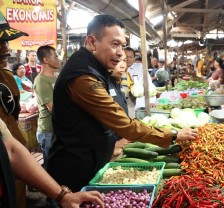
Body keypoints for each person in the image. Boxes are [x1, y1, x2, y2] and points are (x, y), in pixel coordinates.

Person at [48, 14, 197, 192]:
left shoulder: (95, 69)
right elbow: (124, 125)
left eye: (123, 45)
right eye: (115, 44)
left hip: (89, 162)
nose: (120, 52)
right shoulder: (83, 77)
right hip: (74, 173)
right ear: (92, 42)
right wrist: (172, 134)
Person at [0, 11, 103, 207]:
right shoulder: (39, 80)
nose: (5, 48)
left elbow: (10, 148)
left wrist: (63, 195)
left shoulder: (6, 79)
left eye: (6, 42)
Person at [33, 45, 61, 167]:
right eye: (55, 56)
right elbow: (53, 108)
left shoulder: (56, 77)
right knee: (51, 166)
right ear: (46, 60)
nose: (58, 58)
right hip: (48, 131)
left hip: (58, 128)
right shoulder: (41, 81)